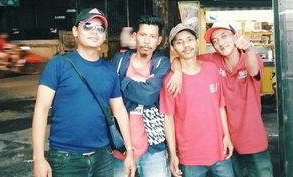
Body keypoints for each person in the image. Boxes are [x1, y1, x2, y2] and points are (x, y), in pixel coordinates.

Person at [32, 8, 136, 177]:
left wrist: (129, 151)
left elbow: (119, 111)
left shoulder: (109, 71)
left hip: (103, 156)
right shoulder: (58, 65)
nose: (95, 31)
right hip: (66, 159)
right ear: (75, 31)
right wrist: (38, 158)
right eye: (88, 26)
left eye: (100, 28)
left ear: (104, 36)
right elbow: (41, 110)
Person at [171, 22, 273, 177]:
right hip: (227, 142)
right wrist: (177, 71)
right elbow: (185, 55)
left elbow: (253, 70)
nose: (220, 42)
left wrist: (249, 49)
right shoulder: (213, 61)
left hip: (253, 140)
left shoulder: (251, 58)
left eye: (224, 36)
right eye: (215, 41)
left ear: (235, 36)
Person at [160, 23, 234, 177]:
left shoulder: (212, 69)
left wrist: (227, 135)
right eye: (179, 42)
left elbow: (220, 106)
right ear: (173, 47)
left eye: (189, 39)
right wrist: (173, 155)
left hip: (219, 151)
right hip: (190, 157)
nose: (186, 45)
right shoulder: (170, 81)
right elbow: (168, 120)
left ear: (196, 42)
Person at [111, 15, 171, 177]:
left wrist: (123, 83)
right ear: (135, 36)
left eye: (152, 37)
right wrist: (139, 87)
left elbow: (148, 96)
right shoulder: (119, 61)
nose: (146, 41)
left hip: (153, 148)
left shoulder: (161, 63)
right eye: (143, 35)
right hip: (121, 146)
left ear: (159, 40)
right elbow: (109, 93)